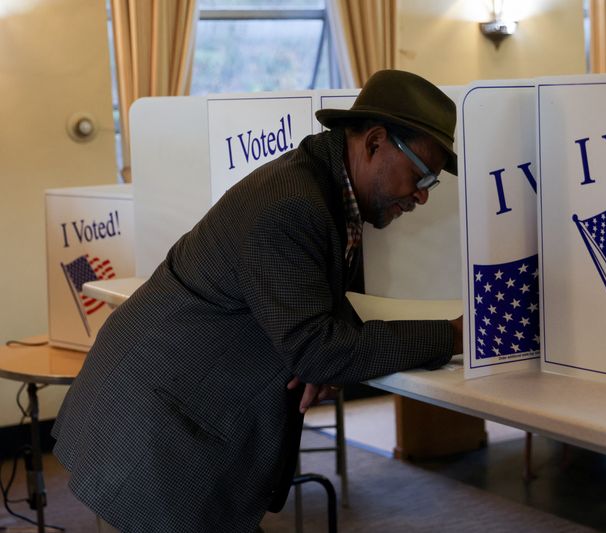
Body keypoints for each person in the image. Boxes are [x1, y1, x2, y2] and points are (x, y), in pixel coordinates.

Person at [51, 69, 463, 533]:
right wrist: (450, 335)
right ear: (374, 143)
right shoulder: (294, 204)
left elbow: (313, 317)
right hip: (157, 420)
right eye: (422, 173)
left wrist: (319, 354)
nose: (423, 195)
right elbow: (320, 350)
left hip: (175, 405)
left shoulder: (324, 192)